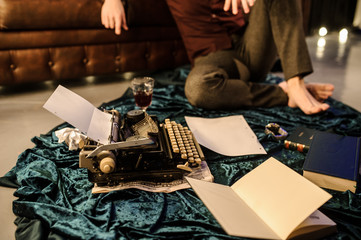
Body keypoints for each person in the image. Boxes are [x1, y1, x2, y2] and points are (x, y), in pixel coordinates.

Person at [101, 0, 334, 115]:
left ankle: (296, 82)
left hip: (252, 46)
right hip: (212, 59)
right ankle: (284, 94)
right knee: (198, 89)